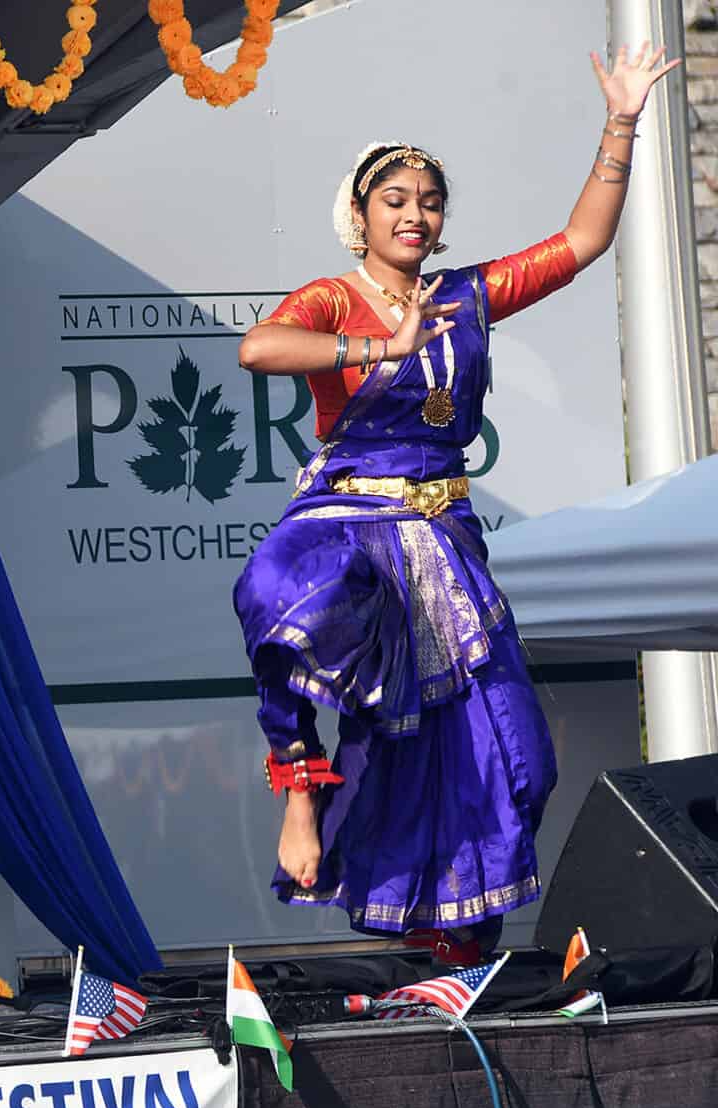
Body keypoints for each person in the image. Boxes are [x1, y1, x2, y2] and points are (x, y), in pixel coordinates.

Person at [232, 46, 677, 963]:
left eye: (428, 202)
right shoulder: (333, 298)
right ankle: (299, 791)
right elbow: (259, 348)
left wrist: (622, 121)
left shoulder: (467, 296)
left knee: (514, 757)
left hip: (446, 540)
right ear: (358, 218)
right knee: (281, 592)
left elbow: (582, 242)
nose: (415, 214)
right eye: (394, 200)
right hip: (355, 515)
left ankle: (453, 950)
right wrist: (372, 349)